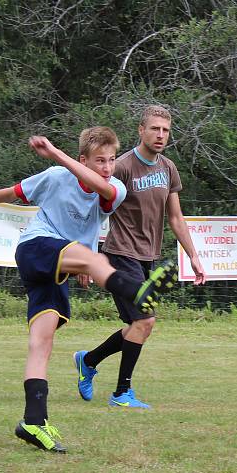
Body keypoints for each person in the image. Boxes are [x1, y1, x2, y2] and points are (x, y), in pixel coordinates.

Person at [0, 127, 177, 453]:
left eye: (110, 161)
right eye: (99, 161)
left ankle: (34, 420)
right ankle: (137, 291)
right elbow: (11, 193)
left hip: (57, 271)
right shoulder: (56, 175)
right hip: (36, 248)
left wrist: (57, 154)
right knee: (94, 259)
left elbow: (101, 188)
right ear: (82, 159)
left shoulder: (115, 188)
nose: (107, 167)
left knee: (41, 344)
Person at [73, 105, 206, 409]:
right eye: (155, 128)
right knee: (145, 322)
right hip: (120, 254)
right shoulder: (121, 166)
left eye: (166, 130)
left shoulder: (168, 168)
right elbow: (90, 210)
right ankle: (121, 393)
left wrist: (194, 256)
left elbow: (176, 218)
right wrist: (86, 254)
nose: (160, 135)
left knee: (137, 326)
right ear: (141, 130)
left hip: (147, 257)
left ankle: (88, 360)